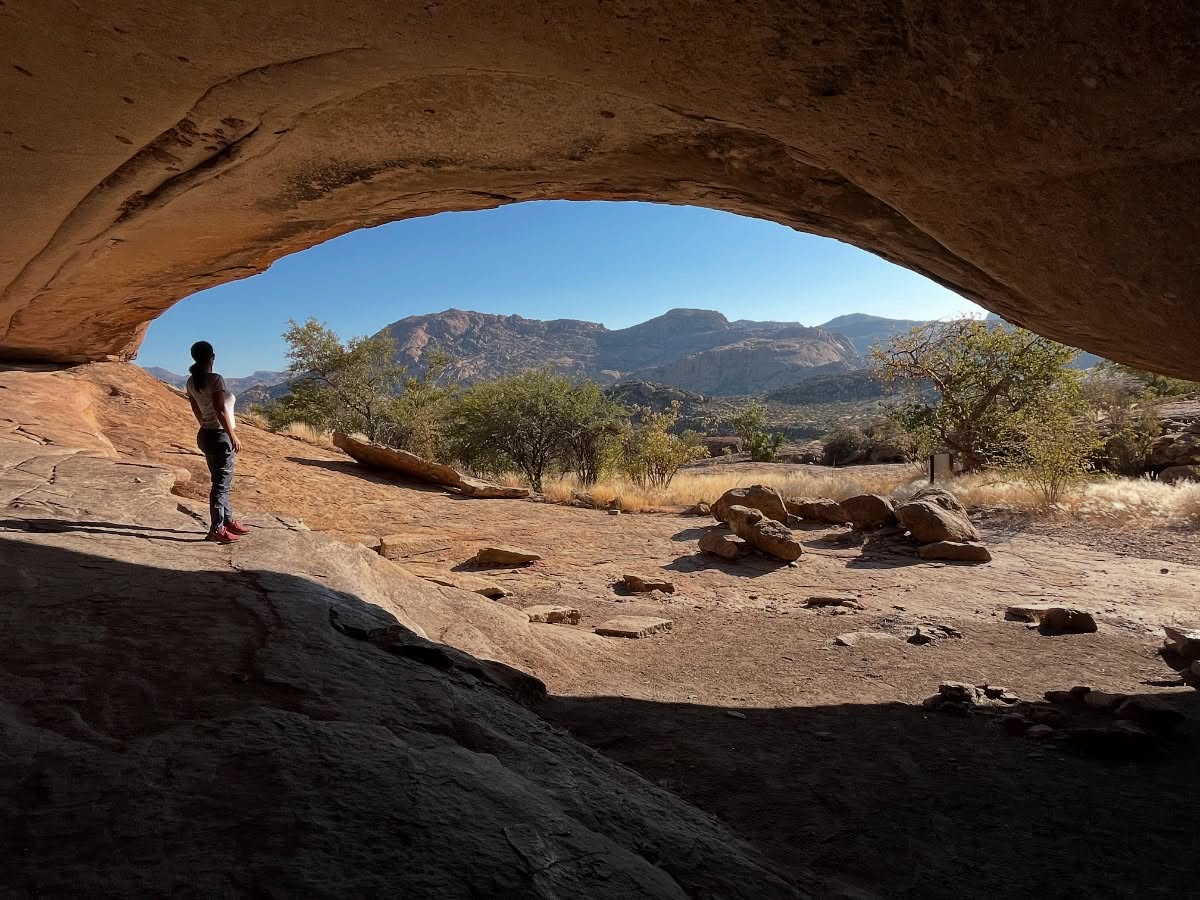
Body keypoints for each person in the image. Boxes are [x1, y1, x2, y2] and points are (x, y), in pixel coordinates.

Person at [185, 340, 249, 543]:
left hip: (206, 434)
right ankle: (217, 528)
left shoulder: (191, 381)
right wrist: (232, 435)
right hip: (219, 437)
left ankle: (228, 521)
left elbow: (196, 408)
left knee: (220, 481)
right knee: (221, 485)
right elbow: (221, 410)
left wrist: (205, 424)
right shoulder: (215, 379)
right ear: (212, 356)